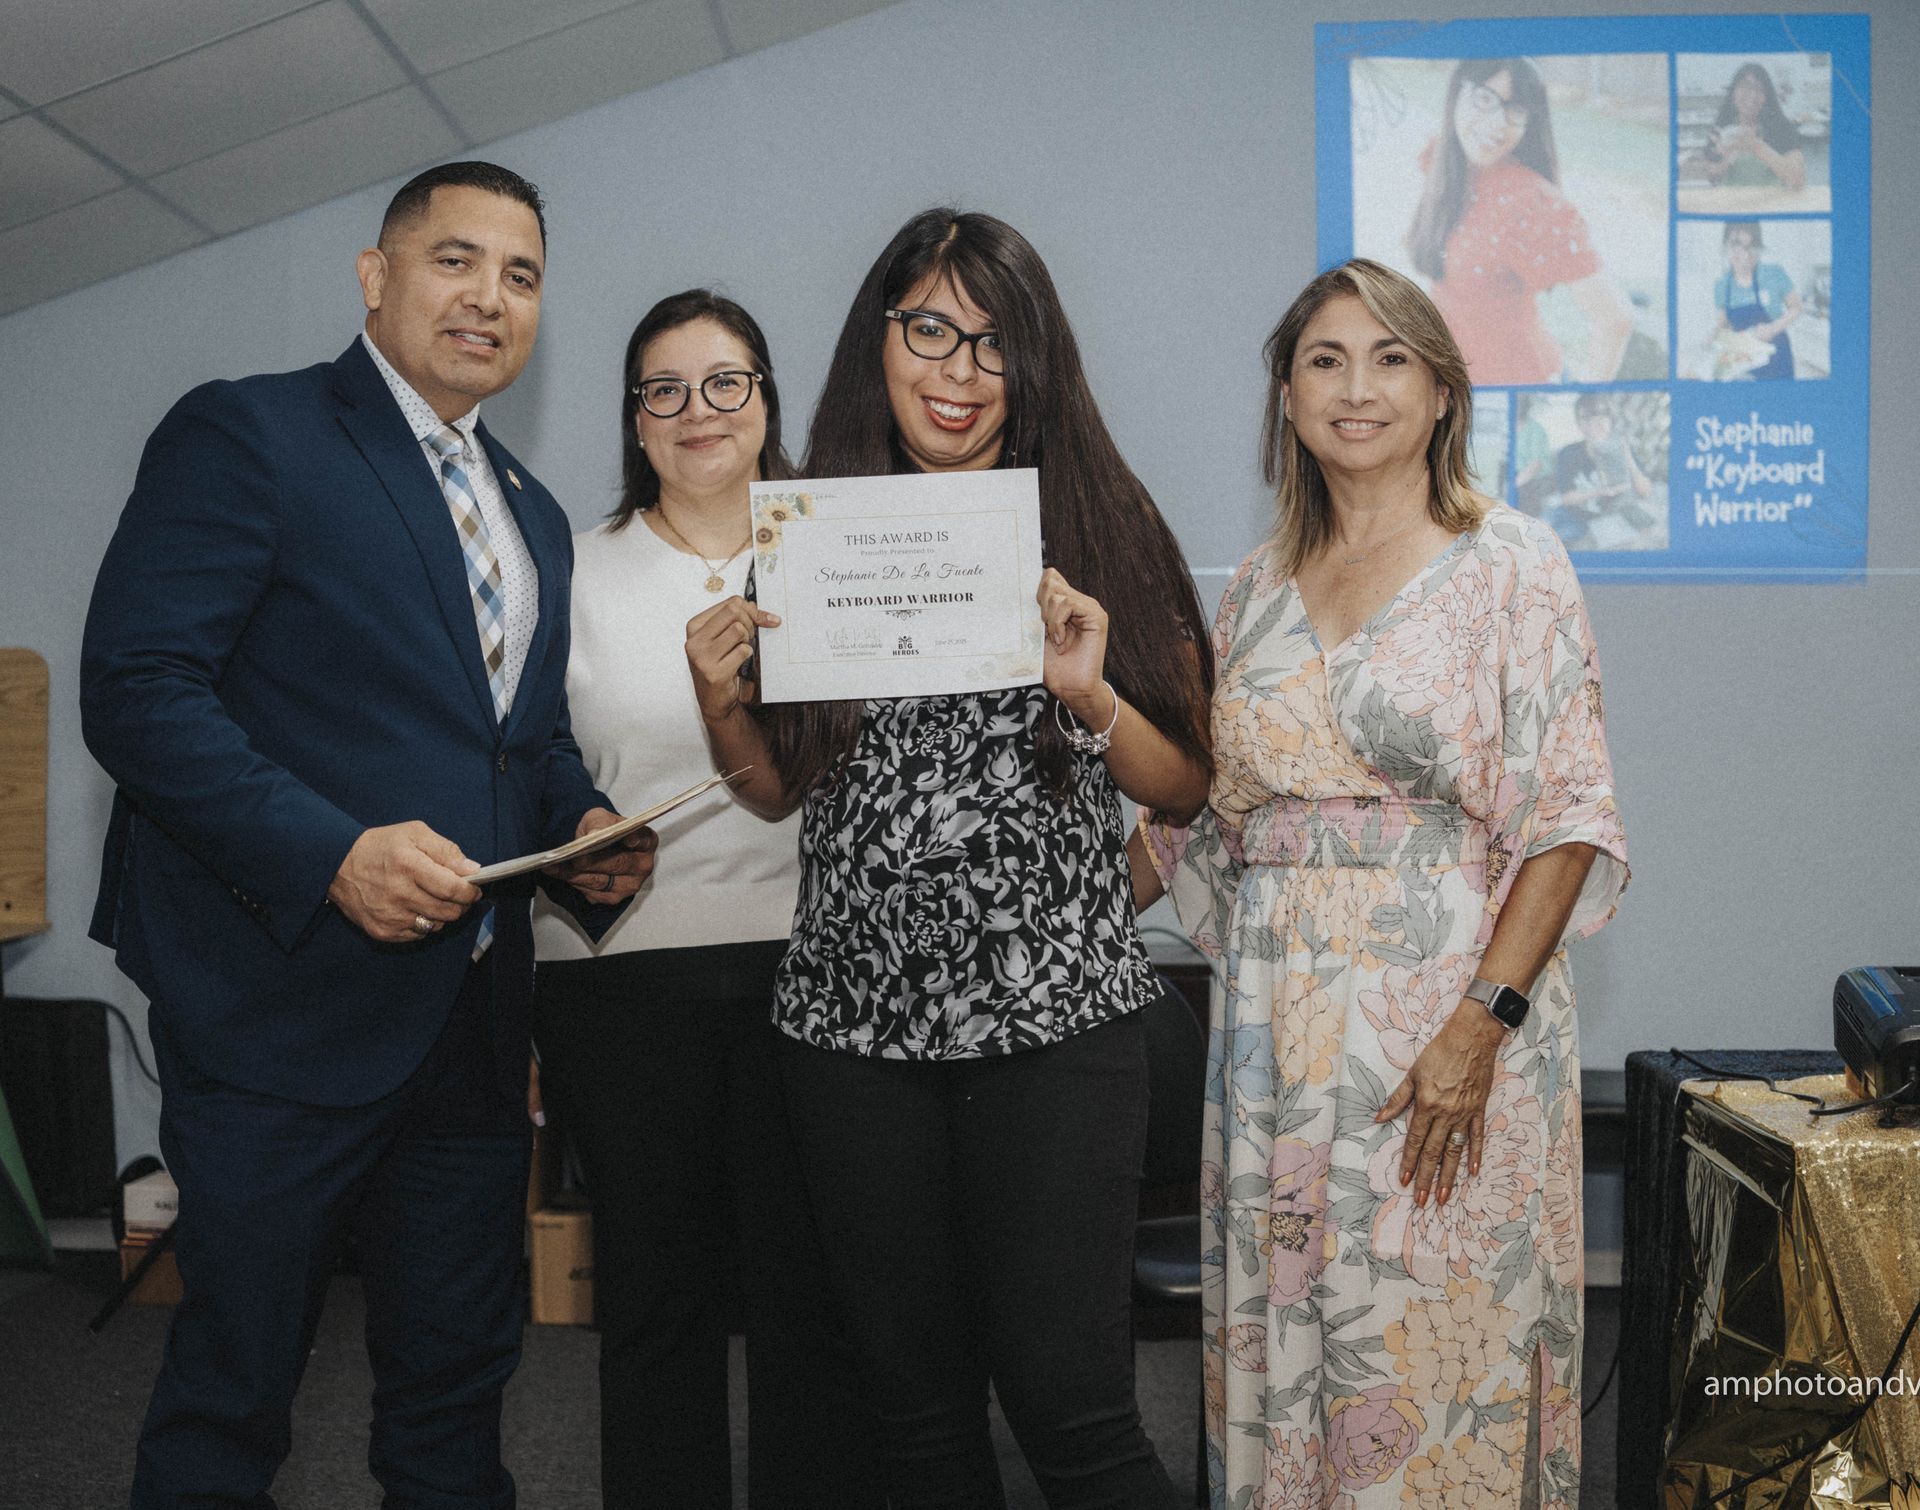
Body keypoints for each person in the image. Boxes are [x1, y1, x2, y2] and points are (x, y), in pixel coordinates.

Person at [80, 161, 655, 1510]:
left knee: (455, 1395)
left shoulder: (532, 512)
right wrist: (331, 853)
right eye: (456, 259)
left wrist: (581, 822)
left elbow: (519, 741)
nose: (490, 296)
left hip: (471, 1031)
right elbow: (138, 688)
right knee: (232, 1395)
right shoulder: (250, 432)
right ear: (374, 275)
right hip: (278, 1011)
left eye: (521, 276)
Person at [683, 208, 1212, 1508]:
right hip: (851, 1035)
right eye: (930, 330)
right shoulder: (811, 531)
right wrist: (719, 702)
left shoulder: (1097, 516)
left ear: (1035, 362)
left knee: (1076, 1414)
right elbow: (778, 790)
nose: (960, 371)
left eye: (993, 342)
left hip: (1054, 1027)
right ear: (880, 338)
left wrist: (1089, 694)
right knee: (914, 1422)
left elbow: (1188, 781)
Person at [1138, 258, 1627, 1506]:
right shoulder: (1255, 588)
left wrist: (1482, 1023)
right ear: (1286, 395)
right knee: (1291, 1338)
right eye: (1326, 360)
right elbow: (1213, 818)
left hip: (1443, 1033)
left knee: (1432, 1342)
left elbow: (1567, 817)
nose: (1356, 388)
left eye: (1390, 358)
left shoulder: (1512, 562)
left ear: (1444, 390)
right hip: (1275, 1044)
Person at [530, 290, 879, 1508]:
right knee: (656, 1301)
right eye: (664, 390)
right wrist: (571, 828)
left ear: (768, 399)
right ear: (634, 418)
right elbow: (530, 756)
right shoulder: (571, 569)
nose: (698, 411)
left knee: (811, 1302)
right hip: (624, 979)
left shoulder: (845, 556)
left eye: (726, 382)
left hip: (819, 970)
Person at [1407, 56, 1635, 385]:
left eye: (1515, 110)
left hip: (1519, 387)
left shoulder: (1530, 201)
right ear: (1457, 91)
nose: (1497, 123)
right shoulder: (1443, 160)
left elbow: (1615, 318)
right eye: (1484, 98)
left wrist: (1581, 401)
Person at [1549, 393, 1657, 549]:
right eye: (1587, 418)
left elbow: (1645, 492)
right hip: (1578, 517)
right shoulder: (1569, 453)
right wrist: (1599, 492)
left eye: (1602, 416)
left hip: (1616, 516)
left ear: (1610, 420)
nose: (1595, 423)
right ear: (1579, 424)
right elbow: (1566, 498)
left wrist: (1628, 458)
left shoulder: (1622, 448)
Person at [1696, 62, 1808, 192]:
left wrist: (1756, 146)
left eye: (1759, 89)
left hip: (1772, 201)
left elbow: (1797, 179)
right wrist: (1722, 158)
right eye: (1745, 87)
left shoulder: (1782, 128)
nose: (1752, 95)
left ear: (1767, 97)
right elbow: (1712, 176)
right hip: (1730, 201)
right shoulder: (1721, 128)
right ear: (1733, 93)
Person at [1710, 221, 1800, 380]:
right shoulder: (1722, 285)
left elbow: (1796, 307)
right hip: (1744, 361)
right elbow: (1723, 325)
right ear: (1725, 247)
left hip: (1778, 358)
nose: (1744, 255)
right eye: (1736, 245)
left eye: (1750, 247)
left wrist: (1772, 328)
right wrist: (1714, 337)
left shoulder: (1774, 273)